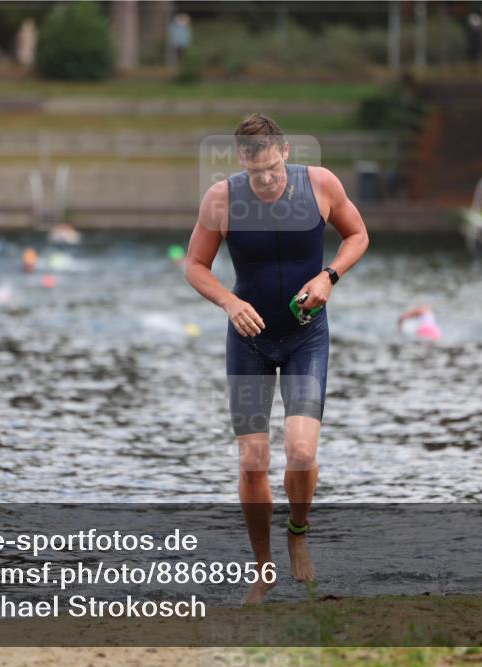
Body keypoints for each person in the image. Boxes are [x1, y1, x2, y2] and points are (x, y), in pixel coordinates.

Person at [184, 113, 369, 604]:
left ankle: (298, 532)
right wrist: (230, 302)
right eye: (255, 171)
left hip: (305, 336)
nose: (265, 180)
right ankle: (263, 568)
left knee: (302, 452)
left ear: (285, 152)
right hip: (249, 340)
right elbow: (195, 266)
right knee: (252, 461)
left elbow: (358, 235)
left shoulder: (321, 184)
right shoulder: (222, 198)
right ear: (241, 161)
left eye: (272, 169)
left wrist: (329, 277)